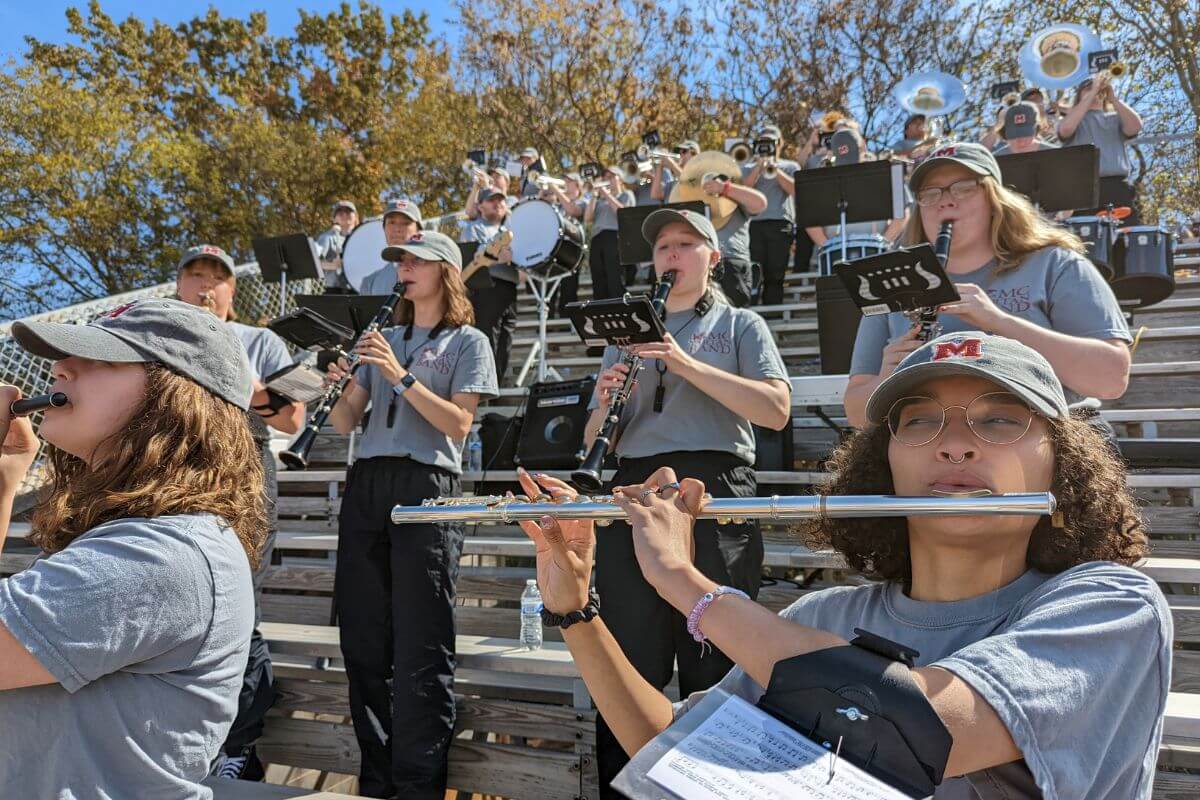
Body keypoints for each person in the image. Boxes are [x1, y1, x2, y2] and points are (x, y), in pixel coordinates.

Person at [517, 330, 1169, 800]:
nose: (953, 446)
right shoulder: (826, 617)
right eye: (920, 422)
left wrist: (684, 581)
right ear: (883, 464)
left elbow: (917, 728)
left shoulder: (1111, 606)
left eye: (998, 420)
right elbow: (669, 743)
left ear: (1062, 460)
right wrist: (577, 608)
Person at [0, 299, 268, 796]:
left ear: (174, 396)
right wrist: (2, 482)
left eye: (100, 358)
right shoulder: (140, 538)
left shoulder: (161, 555)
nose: (60, 368)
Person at [580, 207, 791, 796]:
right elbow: (599, 435)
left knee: (716, 665)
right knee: (627, 666)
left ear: (713, 257)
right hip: (634, 490)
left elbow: (775, 410)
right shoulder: (625, 335)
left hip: (715, 488)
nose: (670, 254)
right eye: (663, 246)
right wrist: (602, 401)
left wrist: (682, 361)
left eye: (685, 244)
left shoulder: (741, 325)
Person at [323, 230, 498, 799]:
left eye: (415, 260)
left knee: (423, 641)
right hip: (369, 481)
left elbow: (459, 424)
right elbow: (346, 424)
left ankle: (419, 783)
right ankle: (376, 779)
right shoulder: (383, 336)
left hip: (429, 483)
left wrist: (400, 374)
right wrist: (345, 383)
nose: (403, 268)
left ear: (445, 270)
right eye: (400, 260)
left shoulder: (469, 341)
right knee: (364, 639)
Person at [843, 142, 1132, 429]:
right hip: (933, 440)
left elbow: (1110, 379)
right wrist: (886, 379)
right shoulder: (890, 283)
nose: (945, 200)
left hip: (1052, 434)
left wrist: (998, 321)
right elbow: (857, 415)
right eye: (930, 193)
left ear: (994, 198)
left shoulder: (1056, 264)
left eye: (963, 187)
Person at [174, 244, 305, 780]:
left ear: (233, 289)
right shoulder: (159, 336)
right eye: (195, 275)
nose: (206, 287)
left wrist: (249, 387)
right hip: (178, 467)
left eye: (217, 278)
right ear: (177, 285)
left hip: (246, 467)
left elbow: (294, 417)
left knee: (237, 602)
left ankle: (239, 744)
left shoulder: (262, 341)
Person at [1058, 73, 1143, 222]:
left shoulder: (1115, 118)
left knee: (1124, 239)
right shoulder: (1072, 121)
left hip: (1115, 188)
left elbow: (1135, 126)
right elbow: (1065, 130)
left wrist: (1113, 99)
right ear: (1079, 96)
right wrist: (1091, 94)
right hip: (1082, 191)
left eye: (1098, 89)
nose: (1095, 90)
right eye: (1088, 88)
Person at [462, 188, 520, 383]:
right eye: (492, 200)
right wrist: (497, 258)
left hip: (510, 289)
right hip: (486, 288)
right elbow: (471, 258)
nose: (498, 204)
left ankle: (498, 385)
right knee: (488, 337)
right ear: (480, 206)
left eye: (501, 200)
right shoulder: (474, 227)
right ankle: (485, 385)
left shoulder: (512, 229)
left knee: (506, 340)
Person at [742, 124, 800, 306]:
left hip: (780, 224)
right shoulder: (748, 167)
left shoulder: (790, 166)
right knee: (754, 272)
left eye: (771, 141)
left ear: (779, 144)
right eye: (763, 141)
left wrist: (775, 169)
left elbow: (796, 191)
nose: (766, 145)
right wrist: (758, 167)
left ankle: (773, 312)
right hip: (754, 224)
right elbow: (743, 190)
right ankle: (751, 311)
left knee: (776, 272)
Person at [585, 166, 637, 300]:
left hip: (614, 236)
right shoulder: (600, 201)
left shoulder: (626, 195)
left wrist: (607, 194)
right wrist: (594, 197)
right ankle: (601, 304)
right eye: (605, 177)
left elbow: (622, 213)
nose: (607, 180)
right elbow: (587, 219)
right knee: (598, 275)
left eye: (611, 176)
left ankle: (620, 302)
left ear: (620, 179)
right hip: (597, 238)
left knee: (614, 275)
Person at [360, 198, 424, 295]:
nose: (397, 229)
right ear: (384, 229)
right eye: (392, 222)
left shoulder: (434, 275)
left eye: (405, 223)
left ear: (419, 231)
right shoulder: (370, 283)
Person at [315, 200, 360, 291]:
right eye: (339, 212)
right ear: (334, 219)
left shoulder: (362, 238)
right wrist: (332, 265)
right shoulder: (328, 237)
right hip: (334, 289)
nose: (344, 214)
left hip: (358, 289)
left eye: (348, 211)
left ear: (355, 217)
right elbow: (313, 262)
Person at [992, 102, 1059, 156]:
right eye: (1014, 135)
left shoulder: (1057, 156)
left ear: (1036, 131)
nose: (1021, 141)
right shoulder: (995, 162)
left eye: (1026, 134)